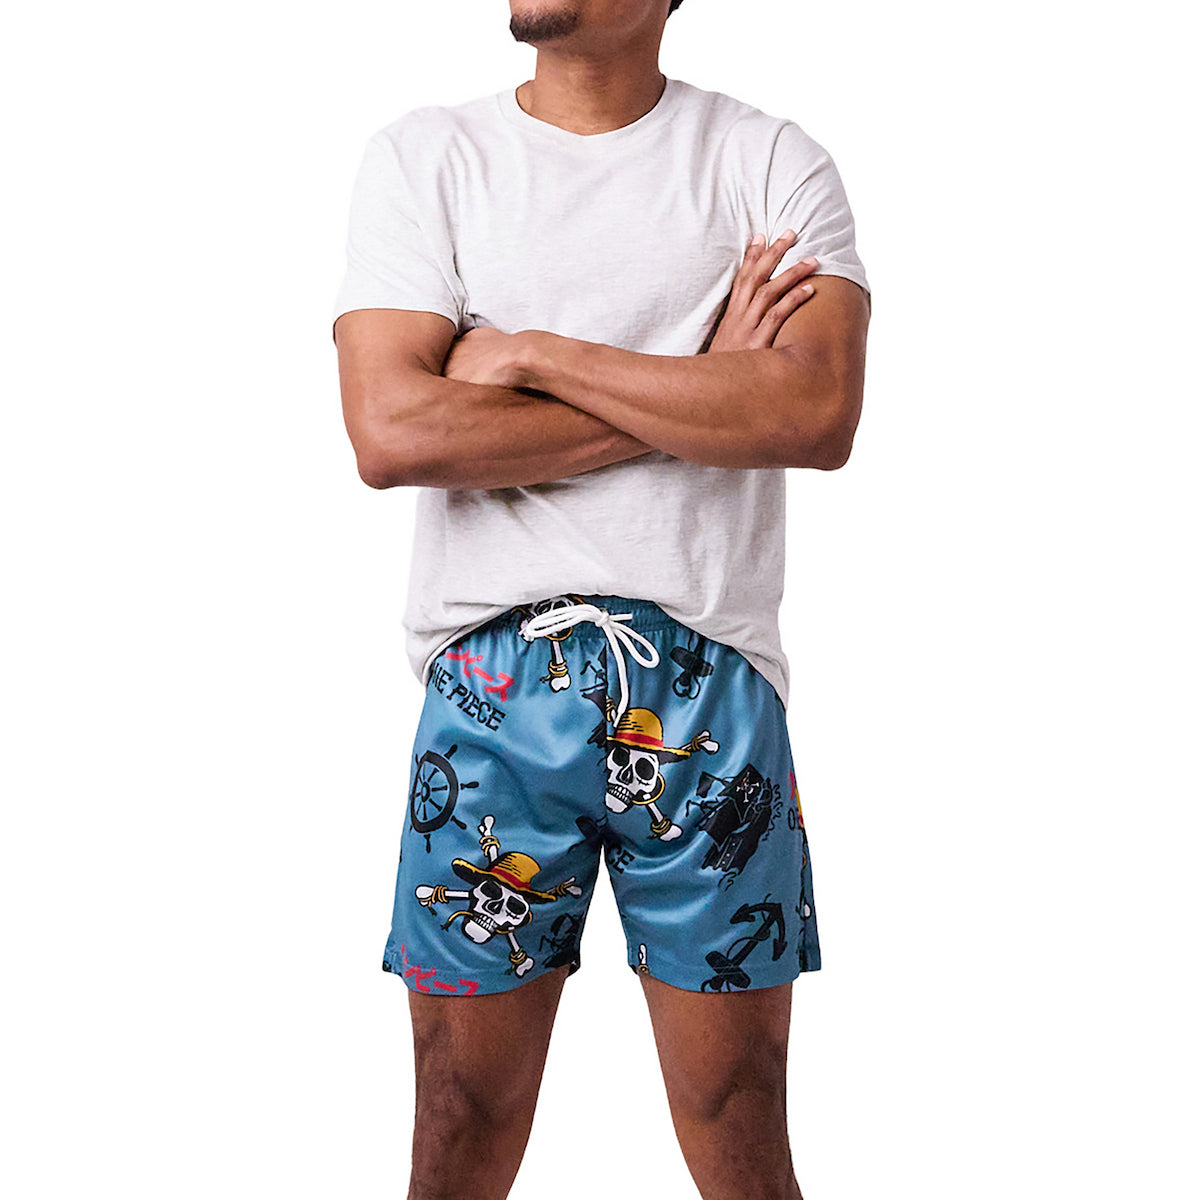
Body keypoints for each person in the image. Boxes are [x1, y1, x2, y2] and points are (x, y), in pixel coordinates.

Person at [332, 3, 870, 1196]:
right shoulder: (428, 159)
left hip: (710, 691)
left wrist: (528, 355)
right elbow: (394, 431)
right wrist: (704, 389)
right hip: (491, 687)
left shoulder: (768, 162)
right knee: (458, 1114)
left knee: (739, 1113)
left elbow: (813, 412)